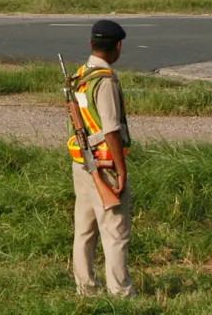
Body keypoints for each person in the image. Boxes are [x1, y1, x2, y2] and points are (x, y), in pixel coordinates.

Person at [67, 19, 134, 298]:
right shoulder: (104, 82)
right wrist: (121, 169)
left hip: (82, 164)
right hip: (104, 166)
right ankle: (121, 293)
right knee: (115, 232)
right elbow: (111, 129)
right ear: (117, 47)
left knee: (84, 230)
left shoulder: (79, 76)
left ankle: (86, 288)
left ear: (91, 44)